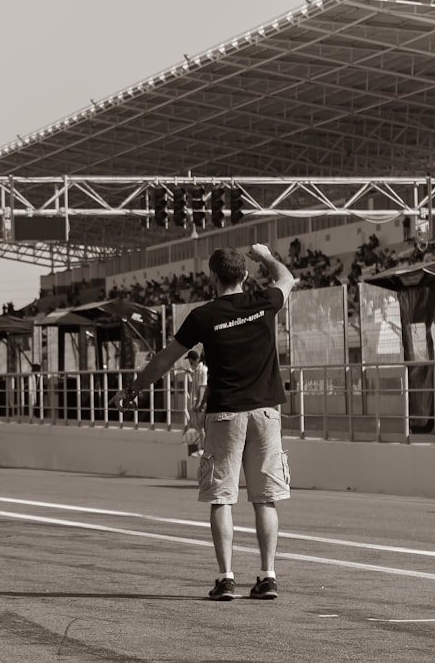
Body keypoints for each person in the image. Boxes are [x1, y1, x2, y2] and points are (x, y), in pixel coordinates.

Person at [110, 244, 294, 602]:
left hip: (225, 413)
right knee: (265, 499)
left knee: (222, 499)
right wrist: (266, 256)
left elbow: (164, 359)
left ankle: (226, 579)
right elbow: (287, 277)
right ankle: (268, 576)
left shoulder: (203, 316)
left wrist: (132, 390)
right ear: (244, 275)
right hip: (266, 413)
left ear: (212, 277)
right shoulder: (265, 302)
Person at [183, 350, 208, 458]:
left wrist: (199, 404)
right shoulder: (197, 370)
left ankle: (203, 449)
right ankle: (200, 448)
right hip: (196, 403)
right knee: (198, 426)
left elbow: (202, 387)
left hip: (199, 403)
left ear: (191, 360)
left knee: (201, 426)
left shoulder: (202, 370)